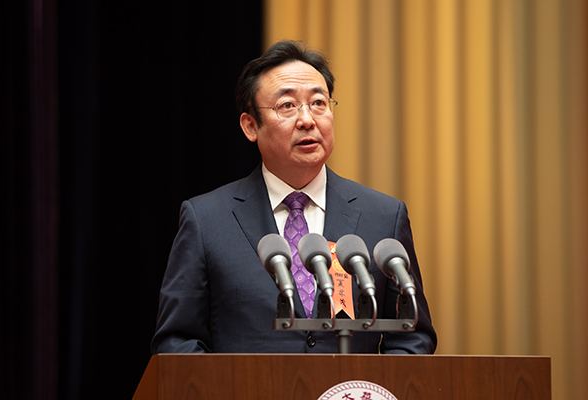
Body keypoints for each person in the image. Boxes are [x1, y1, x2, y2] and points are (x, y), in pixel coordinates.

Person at [151, 40, 437, 354]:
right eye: (287, 105)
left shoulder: (383, 216)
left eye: (318, 103)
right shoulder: (206, 220)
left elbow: (413, 339)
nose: (307, 120)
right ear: (250, 126)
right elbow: (176, 342)